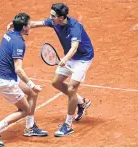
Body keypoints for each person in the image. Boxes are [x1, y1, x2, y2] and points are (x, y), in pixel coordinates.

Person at [8, 3, 94, 137]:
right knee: (56, 82)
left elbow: (74, 47)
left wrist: (64, 59)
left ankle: (68, 125)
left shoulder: (75, 27)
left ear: (62, 17)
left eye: (53, 16)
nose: (50, 17)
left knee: (72, 88)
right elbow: (36, 24)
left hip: (82, 58)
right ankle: (81, 102)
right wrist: (17, 25)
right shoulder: (54, 22)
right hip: (70, 58)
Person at [0, 13, 48, 147]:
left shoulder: (9, 32)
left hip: (3, 75)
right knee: (25, 110)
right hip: (5, 81)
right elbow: (18, 69)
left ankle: (30, 128)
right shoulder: (19, 43)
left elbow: (19, 24)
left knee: (32, 93)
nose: (31, 25)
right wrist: (32, 84)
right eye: (29, 24)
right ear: (24, 27)